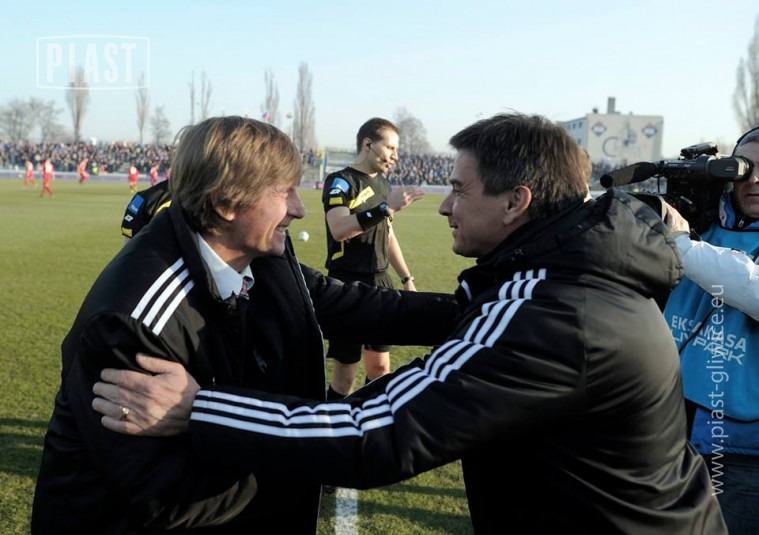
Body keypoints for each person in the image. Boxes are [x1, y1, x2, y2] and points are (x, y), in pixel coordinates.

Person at [92, 113, 726, 534]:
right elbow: (352, 304)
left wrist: (202, 409)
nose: (445, 205)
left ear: (517, 202)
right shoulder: (563, 281)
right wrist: (468, 312)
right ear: (228, 203)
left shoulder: (553, 311)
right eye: (283, 192)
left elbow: (375, 429)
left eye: (460, 189)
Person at [32, 116, 458, 533]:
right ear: (226, 203)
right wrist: (308, 456)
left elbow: (346, 304)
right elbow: (170, 498)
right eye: (285, 191)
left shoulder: (257, 253)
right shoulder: (132, 321)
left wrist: (471, 310)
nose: (298, 210)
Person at [662, 126, 759, 534]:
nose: (755, 180)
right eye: (745, 168)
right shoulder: (702, 227)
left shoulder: (686, 241)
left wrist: (680, 244)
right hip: (673, 429)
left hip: (744, 452)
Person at [322, 117, 424, 399]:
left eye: (396, 149)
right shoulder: (341, 181)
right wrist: (384, 208)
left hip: (381, 282)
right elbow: (339, 228)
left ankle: (370, 420)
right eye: (390, 147)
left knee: (380, 369)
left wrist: (406, 278)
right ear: (368, 144)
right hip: (347, 285)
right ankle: (334, 421)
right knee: (345, 376)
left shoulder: (384, 185)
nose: (395, 156)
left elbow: (387, 235)